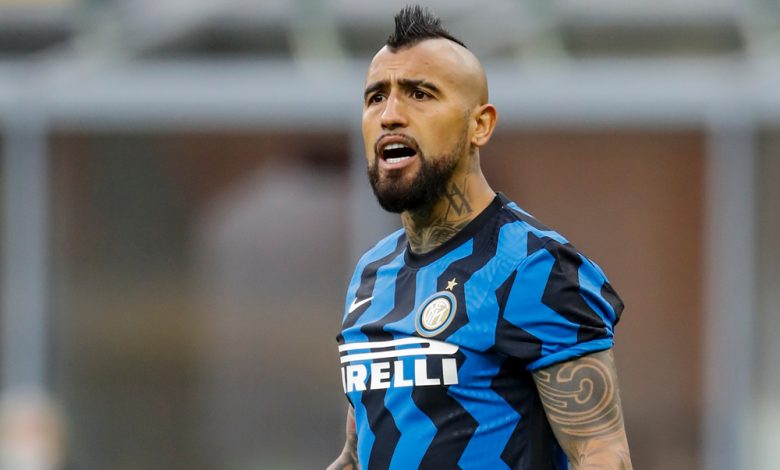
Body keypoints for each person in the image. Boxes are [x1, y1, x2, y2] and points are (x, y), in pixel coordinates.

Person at [329, 5, 632, 469]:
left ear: (481, 125)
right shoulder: (370, 274)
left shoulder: (536, 267)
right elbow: (356, 455)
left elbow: (601, 453)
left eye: (419, 94)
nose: (390, 115)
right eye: (376, 97)